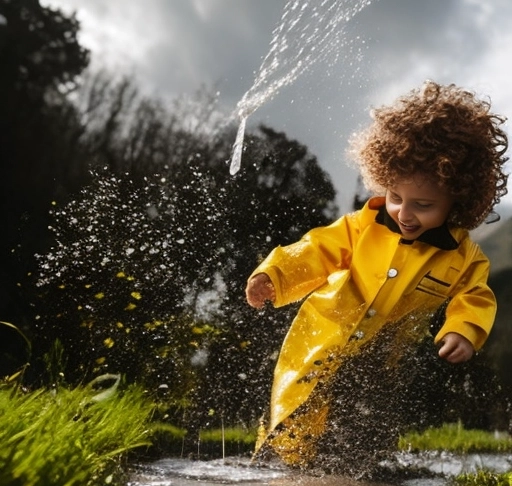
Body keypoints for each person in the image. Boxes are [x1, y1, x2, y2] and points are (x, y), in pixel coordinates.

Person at [245, 81, 509, 471]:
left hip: (383, 360)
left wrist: (464, 330)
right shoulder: (360, 226)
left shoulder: (465, 257)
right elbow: (316, 249)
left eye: (423, 205)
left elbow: (475, 296)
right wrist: (275, 273)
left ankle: (358, 473)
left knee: (364, 436)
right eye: (397, 197)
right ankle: (280, 471)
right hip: (321, 342)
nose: (405, 213)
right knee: (293, 423)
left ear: (460, 200)